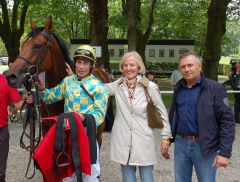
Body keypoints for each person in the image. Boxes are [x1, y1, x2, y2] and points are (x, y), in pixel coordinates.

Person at [38, 45, 109, 182]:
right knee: (68, 173)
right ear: (75, 63)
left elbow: (99, 115)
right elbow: (49, 97)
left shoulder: (99, 87)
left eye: (85, 63)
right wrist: (41, 88)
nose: (81, 67)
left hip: (86, 133)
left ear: (91, 65)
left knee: (90, 173)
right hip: (67, 134)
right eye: (79, 62)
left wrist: (82, 118)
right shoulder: (67, 82)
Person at [105, 51, 172, 182]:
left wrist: (165, 137)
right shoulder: (117, 85)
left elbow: (163, 113)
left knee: (147, 178)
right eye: (125, 65)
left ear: (139, 67)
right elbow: (96, 88)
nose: (128, 68)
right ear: (122, 67)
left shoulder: (150, 87)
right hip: (123, 141)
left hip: (143, 141)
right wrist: (76, 79)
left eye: (132, 65)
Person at [169, 52, 235, 182]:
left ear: (199, 66)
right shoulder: (179, 87)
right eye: (183, 67)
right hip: (181, 144)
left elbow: (227, 122)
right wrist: (167, 139)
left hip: (205, 146)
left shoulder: (215, 88)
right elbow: (174, 115)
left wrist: (225, 153)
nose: (186, 69)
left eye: (190, 65)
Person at [0, 73, 32, 182]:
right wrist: (26, 96)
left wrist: (26, 97)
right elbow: (18, 105)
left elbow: (17, 106)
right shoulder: (6, 80)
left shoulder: (6, 81)